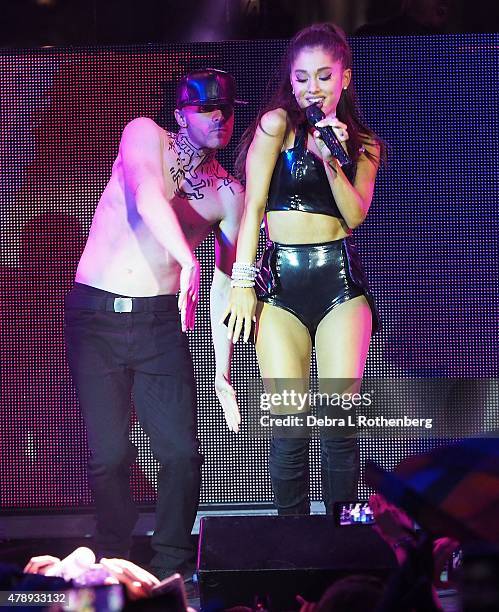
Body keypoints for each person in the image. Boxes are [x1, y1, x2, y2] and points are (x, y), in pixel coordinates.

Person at [64, 69, 244, 579]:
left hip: (160, 326)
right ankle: (112, 555)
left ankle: (171, 563)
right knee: (110, 455)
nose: (219, 117)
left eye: (227, 109)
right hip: (96, 317)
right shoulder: (144, 134)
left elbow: (227, 284)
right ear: (180, 111)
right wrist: (188, 259)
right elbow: (145, 196)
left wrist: (224, 375)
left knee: (182, 454)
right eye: (207, 107)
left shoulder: (226, 192)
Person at [223, 23, 385, 515]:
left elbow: (354, 215)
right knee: (288, 423)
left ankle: (338, 546)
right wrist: (242, 283)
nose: (312, 88)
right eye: (301, 78)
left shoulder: (365, 144)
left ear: (345, 78)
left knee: (339, 421)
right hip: (280, 285)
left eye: (323, 76)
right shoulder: (276, 125)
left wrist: (331, 159)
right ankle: (291, 547)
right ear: (290, 82)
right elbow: (252, 209)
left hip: (338, 282)